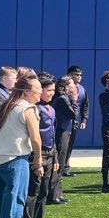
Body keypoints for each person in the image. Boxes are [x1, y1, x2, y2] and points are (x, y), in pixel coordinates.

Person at [0, 74, 43, 218]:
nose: (41, 92)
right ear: (27, 91)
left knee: (1, 198)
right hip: (15, 158)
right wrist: (38, 161)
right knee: (16, 199)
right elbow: (36, 138)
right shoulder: (27, 108)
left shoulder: (9, 104)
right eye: (38, 89)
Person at [21, 73, 60, 218]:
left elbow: (53, 133)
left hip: (50, 153)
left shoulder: (51, 108)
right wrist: (37, 158)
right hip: (38, 153)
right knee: (33, 191)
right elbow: (34, 135)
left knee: (44, 190)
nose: (52, 93)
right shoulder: (34, 108)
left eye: (53, 90)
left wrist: (56, 157)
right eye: (48, 90)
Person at [0, 65, 18, 218]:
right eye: (13, 78)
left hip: (2, 147)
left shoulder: (5, 94)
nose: (16, 81)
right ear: (4, 79)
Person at [49, 75, 77, 205]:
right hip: (61, 132)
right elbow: (73, 114)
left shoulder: (62, 98)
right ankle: (54, 195)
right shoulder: (63, 99)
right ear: (66, 87)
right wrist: (74, 100)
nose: (73, 87)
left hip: (65, 130)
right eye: (71, 85)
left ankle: (57, 194)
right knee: (59, 163)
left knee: (61, 161)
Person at [64, 65, 89, 176]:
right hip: (63, 120)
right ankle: (59, 166)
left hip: (75, 121)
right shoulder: (62, 87)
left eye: (80, 75)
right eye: (76, 74)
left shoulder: (82, 89)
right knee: (62, 144)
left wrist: (84, 119)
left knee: (70, 144)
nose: (79, 77)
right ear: (70, 75)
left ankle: (66, 166)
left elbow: (85, 105)